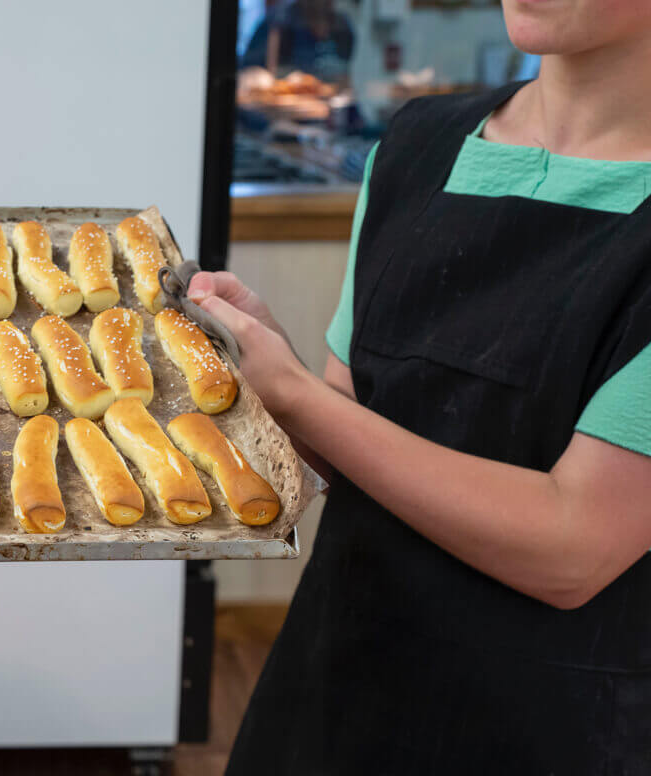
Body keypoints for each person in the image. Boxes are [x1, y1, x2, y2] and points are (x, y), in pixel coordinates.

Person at [197, 0, 651, 771]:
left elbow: (574, 551)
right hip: (337, 685)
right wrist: (270, 369)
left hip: (547, 731)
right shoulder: (415, 146)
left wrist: (298, 395)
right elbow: (354, 447)